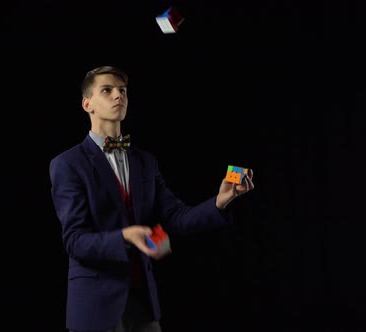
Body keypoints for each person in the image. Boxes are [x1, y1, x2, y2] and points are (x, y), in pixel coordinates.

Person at [49, 65, 255, 332]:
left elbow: (176, 218)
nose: (118, 96)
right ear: (87, 104)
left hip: (143, 304)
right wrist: (124, 236)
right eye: (107, 90)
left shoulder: (145, 162)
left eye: (122, 90)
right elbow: (75, 242)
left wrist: (220, 201)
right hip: (95, 306)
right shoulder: (67, 164)